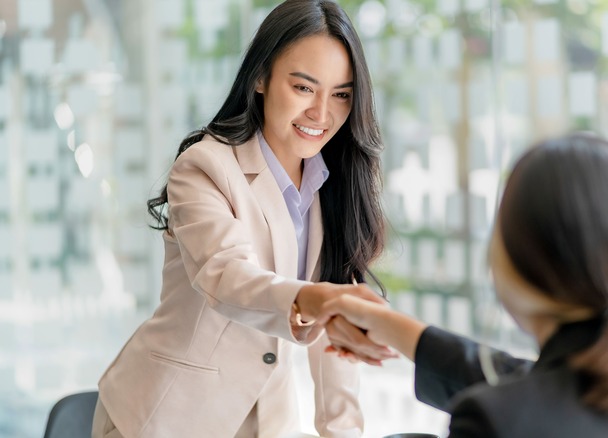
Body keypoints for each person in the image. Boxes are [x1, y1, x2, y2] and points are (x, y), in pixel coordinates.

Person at [92, 1, 393, 436]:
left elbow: (334, 338)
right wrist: (315, 300)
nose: (322, 114)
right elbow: (226, 276)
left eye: (341, 95)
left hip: (265, 421)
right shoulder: (205, 167)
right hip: (165, 417)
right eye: (304, 88)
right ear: (260, 78)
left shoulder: (335, 183)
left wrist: (342, 431)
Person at [317, 134, 608, 437]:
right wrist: (396, 329)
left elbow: (525, 402)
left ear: (509, 260)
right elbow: (541, 389)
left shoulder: (495, 422)